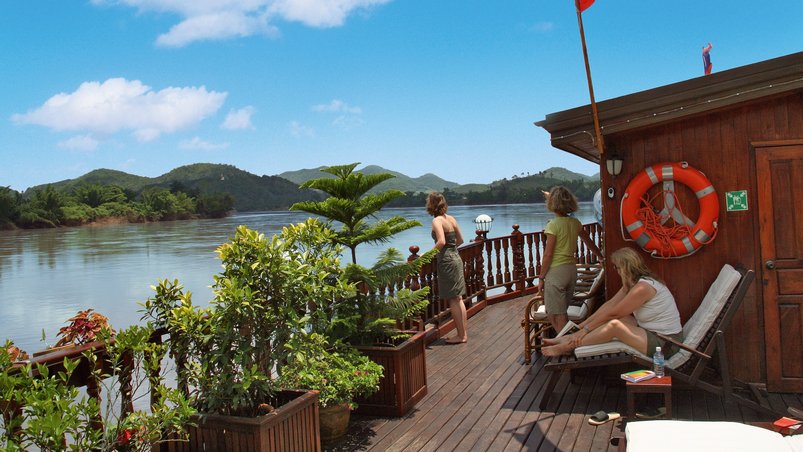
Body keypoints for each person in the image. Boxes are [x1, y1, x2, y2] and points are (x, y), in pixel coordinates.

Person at [542, 247, 683, 358]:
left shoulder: (643, 288)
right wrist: (581, 327)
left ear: (626, 267)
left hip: (666, 344)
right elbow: (609, 306)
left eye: (617, 267)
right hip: (652, 333)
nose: (616, 271)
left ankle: (569, 345)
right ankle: (570, 338)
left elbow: (613, 314)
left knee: (615, 325)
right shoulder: (633, 284)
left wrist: (584, 331)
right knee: (621, 319)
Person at [538, 186, 602, 334]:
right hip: (571, 271)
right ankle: (569, 342)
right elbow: (589, 242)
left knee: (554, 314)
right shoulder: (575, 223)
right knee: (562, 313)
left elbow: (548, 255)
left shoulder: (553, 225)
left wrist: (541, 277)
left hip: (557, 272)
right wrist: (600, 256)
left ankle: (567, 347)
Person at [427, 192, 468, 344]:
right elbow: (461, 240)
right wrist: (452, 250)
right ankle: (463, 334)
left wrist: (426, 254)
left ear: (431, 204)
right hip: (456, 258)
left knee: (454, 299)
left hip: (446, 261)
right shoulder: (451, 219)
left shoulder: (437, 221)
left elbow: (441, 242)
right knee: (459, 298)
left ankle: (461, 336)